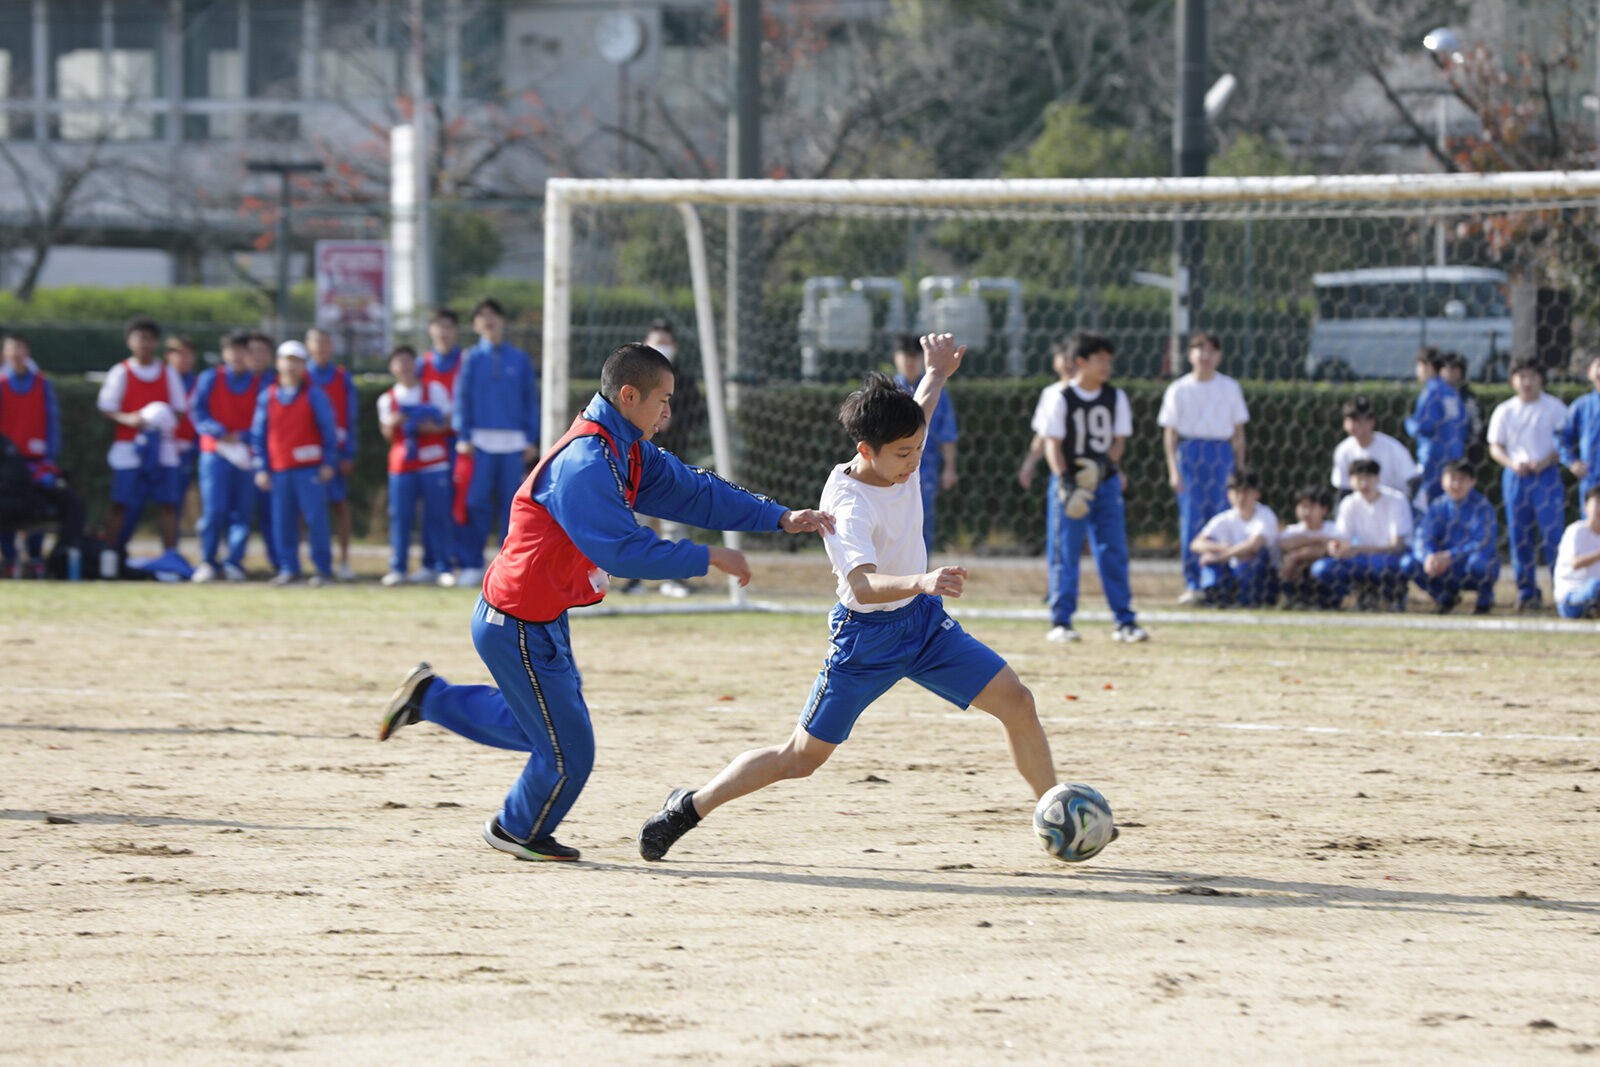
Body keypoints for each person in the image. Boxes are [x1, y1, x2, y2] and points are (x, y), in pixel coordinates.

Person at [376, 342, 833, 862]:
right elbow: (621, 548)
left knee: (543, 724)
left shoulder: (627, 447)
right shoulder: (586, 460)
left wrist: (776, 517)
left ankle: (430, 698)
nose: (668, 411)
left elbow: (696, 491)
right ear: (629, 394)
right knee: (569, 751)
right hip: (516, 624)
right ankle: (516, 828)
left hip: (533, 619)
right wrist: (708, 557)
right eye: (662, 399)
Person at [635, 336, 1076, 864]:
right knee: (800, 758)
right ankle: (688, 807)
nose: (914, 462)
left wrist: (936, 373)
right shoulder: (846, 503)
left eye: (918, 448)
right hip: (865, 639)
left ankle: (1058, 818)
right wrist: (923, 580)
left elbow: (921, 410)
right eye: (904, 454)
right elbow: (863, 587)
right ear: (866, 450)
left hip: (924, 625)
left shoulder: (899, 446)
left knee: (1017, 703)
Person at [1035, 331, 1146, 643]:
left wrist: (1101, 468)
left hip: (1104, 485)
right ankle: (1061, 621)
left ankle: (1125, 621)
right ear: (1080, 362)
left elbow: (1118, 442)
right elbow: (1052, 444)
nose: (1106, 367)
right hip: (1069, 486)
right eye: (1100, 360)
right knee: (1064, 552)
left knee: (1113, 551)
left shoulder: (1115, 396)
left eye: (1109, 361)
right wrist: (1066, 480)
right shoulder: (1061, 397)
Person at [1158, 331, 1249, 604]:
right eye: (1200, 349)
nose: (1205, 356)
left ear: (1219, 356)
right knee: (1192, 520)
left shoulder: (1230, 387)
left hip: (1220, 454)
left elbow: (1239, 433)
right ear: (1190, 355)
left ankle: (1221, 581)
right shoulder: (1178, 389)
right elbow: (1170, 434)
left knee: (1221, 518)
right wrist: (1174, 469)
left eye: (1211, 350)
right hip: (1190, 454)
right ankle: (1194, 583)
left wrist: (1239, 471)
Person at [453, 298, 539, 585]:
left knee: (513, 508)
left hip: (514, 444)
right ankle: (472, 563)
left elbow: (531, 400)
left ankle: (510, 568)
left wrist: (531, 438)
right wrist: (463, 435)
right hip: (478, 444)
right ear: (475, 324)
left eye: (493, 315)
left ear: (503, 320)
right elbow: (461, 400)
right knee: (475, 502)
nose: (488, 321)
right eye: (482, 316)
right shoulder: (470, 359)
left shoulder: (520, 359)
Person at [96, 316, 187, 554]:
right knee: (121, 502)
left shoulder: (168, 373)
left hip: (162, 448)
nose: (144, 344)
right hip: (128, 447)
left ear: (156, 342)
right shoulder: (121, 372)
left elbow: (179, 409)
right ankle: (111, 554)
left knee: (167, 503)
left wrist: (160, 420)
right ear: (129, 342)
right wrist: (131, 419)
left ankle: (170, 555)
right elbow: (107, 407)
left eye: (149, 338)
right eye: (139, 338)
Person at [623, 318, 700, 598]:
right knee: (636, 520)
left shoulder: (686, 382)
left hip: (674, 459)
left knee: (675, 522)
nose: (662, 349)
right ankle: (633, 579)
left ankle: (676, 579)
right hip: (639, 460)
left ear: (676, 347)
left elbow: (698, 416)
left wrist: (671, 421)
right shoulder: (633, 381)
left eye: (666, 343)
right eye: (656, 343)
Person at [251, 340, 337, 587]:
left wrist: (328, 461)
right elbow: (259, 435)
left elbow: (328, 431)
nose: (291, 366)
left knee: (316, 520)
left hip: (309, 468)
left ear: (303, 366)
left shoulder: (314, 394)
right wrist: (261, 467)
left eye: (297, 361)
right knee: (282, 521)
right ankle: (289, 568)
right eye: (287, 360)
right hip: (279, 469)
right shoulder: (267, 396)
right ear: (278, 363)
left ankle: (322, 570)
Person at [1487, 359, 1569, 612]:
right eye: (1521, 376)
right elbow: (1495, 446)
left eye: (1531, 376)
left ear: (1540, 379)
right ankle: (1527, 592)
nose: (1526, 382)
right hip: (1515, 477)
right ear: (1512, 381)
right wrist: (1512, 463)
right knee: (1519, 536)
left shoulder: (1554, 408)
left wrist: (1545, 461)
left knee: (1553, 534)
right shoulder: (1504, 411)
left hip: (1546, 475)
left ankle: (1563, 591)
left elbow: (1565, 443)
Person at [190, 331, 266, 582]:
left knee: (242, 512)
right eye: (231, 350)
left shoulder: (260, 383)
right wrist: (218, 431)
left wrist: (243, 436)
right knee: (215, 510)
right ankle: (207, 561)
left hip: (245, 453)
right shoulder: (210, 378)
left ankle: (234, 561)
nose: (237, 356)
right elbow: (198, 411)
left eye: (242, 350)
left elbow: (264, 418)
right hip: (216, 452)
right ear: (224, 354)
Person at [378, 344, 455, 587]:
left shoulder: (433, 390)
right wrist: (397, 423)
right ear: (392, 367)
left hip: (433, 462)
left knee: (438, 515)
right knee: (401, 516)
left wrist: (429, 426)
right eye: (398, 361)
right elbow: (387, 434)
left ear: (416, 364)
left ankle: (440, 567)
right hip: (402, 465)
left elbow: (448, 422)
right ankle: (398, 568)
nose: (404, 366)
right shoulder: (387, 399)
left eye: (408, 360)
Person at [0, 332, 75, 577]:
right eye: (12, 349)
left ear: (27, 353)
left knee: (38, 507)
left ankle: (35, 558)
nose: (17, 354)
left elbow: (52, 422)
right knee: (6, 507)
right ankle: (10, 557)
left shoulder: (43, 384)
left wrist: (50, 457)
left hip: (36, 461)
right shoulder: (1, 384)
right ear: (5, 354)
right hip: (6, 463)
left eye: (21, 349)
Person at [1310, 458, 1414, 611]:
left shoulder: (1396, 500)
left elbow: (1397, 545)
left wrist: (1357, 548)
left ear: (1378, 478)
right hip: (1359, 558)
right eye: (1359, 478)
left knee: (1382, 565)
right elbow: (1342, 537)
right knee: (1322, 568)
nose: (1364, 484)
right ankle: (1349, 598)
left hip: (1389, 557)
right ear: (1350, 481)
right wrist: (1335, 547)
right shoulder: (1349, 503)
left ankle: (1394, 596)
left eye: (1368, 478)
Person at [891, 331, 959, 555]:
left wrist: (950, 468)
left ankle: (919, 578)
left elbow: (947, 434)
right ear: (896, 358)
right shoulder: (887, 391)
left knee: (920, 524)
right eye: (905, 355)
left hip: (925, 468)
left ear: (922, 359)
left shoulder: (938, 391)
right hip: (888, 468)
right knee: (889, 522)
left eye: (915, 356)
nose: (910, 361)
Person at [1410, 459, 1499, 615]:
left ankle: (1484, 601)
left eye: (1462, 479)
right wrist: (1429, 557)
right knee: (1409, 564)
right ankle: (1445, 598)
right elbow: (1423, 536)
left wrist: (1450, 555)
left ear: (1473, 482)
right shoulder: (1437, 506)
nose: (1456, 484)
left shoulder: (1481, 506)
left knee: (1479, 565)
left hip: (1467, 562)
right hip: (1443, 566)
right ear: (1443, 481)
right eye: (1452, 479)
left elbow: (1483, 540)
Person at [305, 328, 358, 581]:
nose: (322, 348)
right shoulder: (301, 375)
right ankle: (311, 560)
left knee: (339, 505)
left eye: (326, 343)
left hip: (334, 452)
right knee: (307, 508)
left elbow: (350, 417)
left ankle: (344, 560)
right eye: (317, 343)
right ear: (308, 347)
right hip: (306, 454)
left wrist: (347, 452)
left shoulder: (341, 376)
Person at [1189, 466, 1278, 607]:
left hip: (1261, 577)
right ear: (1228, 494)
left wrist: (1221, 556)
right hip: (1232, 571)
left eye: (1246, 492)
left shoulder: (1265, 515)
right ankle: (1214, 595)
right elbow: (1196, 544)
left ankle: (1248, 599)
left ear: (1257, 494)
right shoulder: (1225, 518)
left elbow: (1254, 545)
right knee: (1207, 555)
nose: (1241, 497)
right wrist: (1224, 549)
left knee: (1258, 555)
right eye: (1236, 492)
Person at [422, 308, 466, 572]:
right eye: (439, 327)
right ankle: (432, 562)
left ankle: (457, 560)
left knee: (461, 504)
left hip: (460, 443)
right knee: (431, 505)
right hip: (431, 444)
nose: (444, 332)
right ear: (431, 330)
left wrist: (454, 423)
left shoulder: (466, 361)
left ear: (456, 331)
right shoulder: (422, 364)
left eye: (449, 327)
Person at [1405, 347, 1468, 509]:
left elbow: (1425, 426)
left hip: (1433, 459)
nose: (1417, 372)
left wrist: (1409, 423)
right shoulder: (1452, 392)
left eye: (1418, 367)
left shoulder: (1431, 392)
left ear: (1429, 367)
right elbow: (1463, 423)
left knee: (1426, 505)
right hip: (1454, 456)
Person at [244, 331, 281, 574]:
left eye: (263, 351)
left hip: (272, 458)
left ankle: (280, 564)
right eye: (252, 351)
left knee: (273, 514)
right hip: (234, 456)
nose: (257, 356)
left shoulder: (279, 383)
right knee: (237, 514)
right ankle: (231, 563)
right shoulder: (231, 379)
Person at [1331, 395, 1418, 500]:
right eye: (1351, 421)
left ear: (1371, 421)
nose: (1355, 426)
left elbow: (1414, 481)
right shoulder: (1343, 451)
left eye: (1360, 421)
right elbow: (1343, 490)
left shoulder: (1393, 448)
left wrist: (1403, 506)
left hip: (1395, 506)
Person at [1017, 337, 1074, 492]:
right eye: (1065, 357)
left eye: (1073, 357)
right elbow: (1043, 434)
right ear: (1055, 363)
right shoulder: (1051, 394)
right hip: (1062, 472)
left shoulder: (1095, 394)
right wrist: (1029, 465)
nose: (1069, 362)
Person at [1277, 485, 1342, 609]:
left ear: (1324, 509)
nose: (1306, 511)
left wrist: (1299, 554)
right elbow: (1284, 545)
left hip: (1324, 578)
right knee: (1288, 563)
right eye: (1302, 506)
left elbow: (1335, 546)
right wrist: (1318, 540)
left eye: (1311, 506)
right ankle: (1294, 599)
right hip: (1297, 574)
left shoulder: (1333, 528)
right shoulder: (1292, 530)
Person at [1556, 351, 1600, 506]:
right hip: (1592, 479)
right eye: (1599, 366)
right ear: (1589, 373)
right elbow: (1560, 435)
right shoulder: (1581, 406)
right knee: (1592, 526)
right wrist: (1571, 461)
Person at [164, 334, 200, 520]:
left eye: (189, 354)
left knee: (176, 501)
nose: (184, 359)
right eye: (179, 353)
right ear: (168, 355)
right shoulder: (160, 378)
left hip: (186, 451)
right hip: (159, 448)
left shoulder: (200, 383)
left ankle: (171, 547)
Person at [1554, 485, 1600, 619]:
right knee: (1594, 586)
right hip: (1570, 599)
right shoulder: (1575, 531)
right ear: (1585, 507)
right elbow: (1575, 563)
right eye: (1597, 502)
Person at [1441, 352, 1487, 469]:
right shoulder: (1436, 396)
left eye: (1452, 369)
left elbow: (1477, 426)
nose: (1447, 372)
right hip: (1440, 450)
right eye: (1444, 368)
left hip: (1465, 452)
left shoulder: (1468, 398)